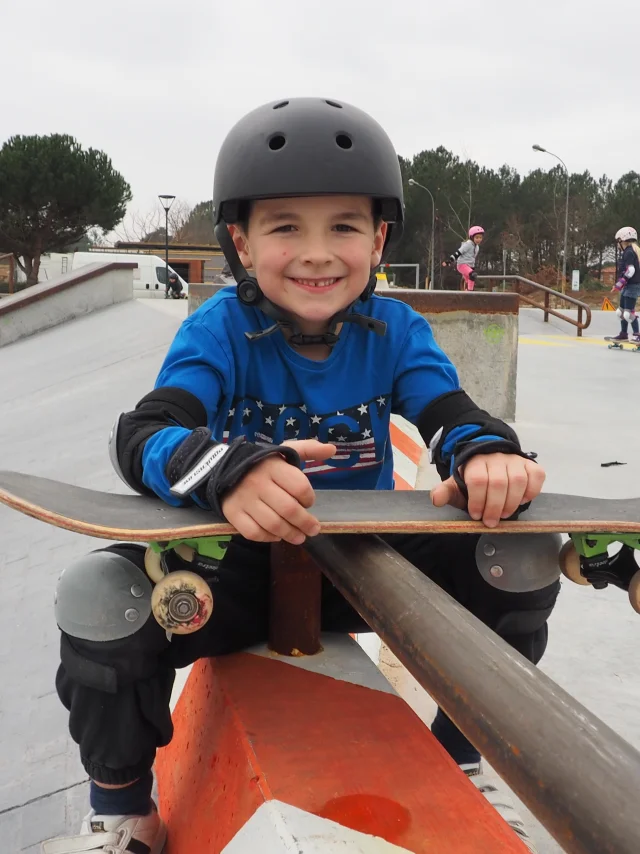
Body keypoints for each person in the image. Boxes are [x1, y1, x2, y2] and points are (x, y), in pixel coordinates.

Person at [43, 98, 557, 853]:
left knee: (520, 559)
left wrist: (485, 458)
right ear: (242, 245)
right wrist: (229, 468)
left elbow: (452, 414)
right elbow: (147, 434)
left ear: (378, 239)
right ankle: (121, 810)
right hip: (239, 570)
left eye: (343, 227)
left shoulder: (397, 331)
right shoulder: (219, 328)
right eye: (286, 227)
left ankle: (461, 762)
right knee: (100, 593)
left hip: (369, 569)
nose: (317, 253)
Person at [609, 227, 640, 343]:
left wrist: (618, 284)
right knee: (620, 312)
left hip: (632, 286)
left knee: (628, 313)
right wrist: (620, 285)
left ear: (623, 240)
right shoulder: (631, 251)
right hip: (628, 286)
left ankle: (638, 334)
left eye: (618, 241)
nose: (618, 244)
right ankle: (623, 334)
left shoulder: (629, 252)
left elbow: (630, 271)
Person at [444, 226, 484, 290]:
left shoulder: (477, 247)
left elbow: (472, 259)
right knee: (472, 275)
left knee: (470, 280)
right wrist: (450, 260)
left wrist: (472, 268)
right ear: (471, 237)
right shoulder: (468, 244)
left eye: (480, 238)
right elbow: (458, 252)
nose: (479, 239)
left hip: (469, 266)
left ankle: (468, 293)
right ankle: (470, 293)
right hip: (462, 265)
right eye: (477, 238)